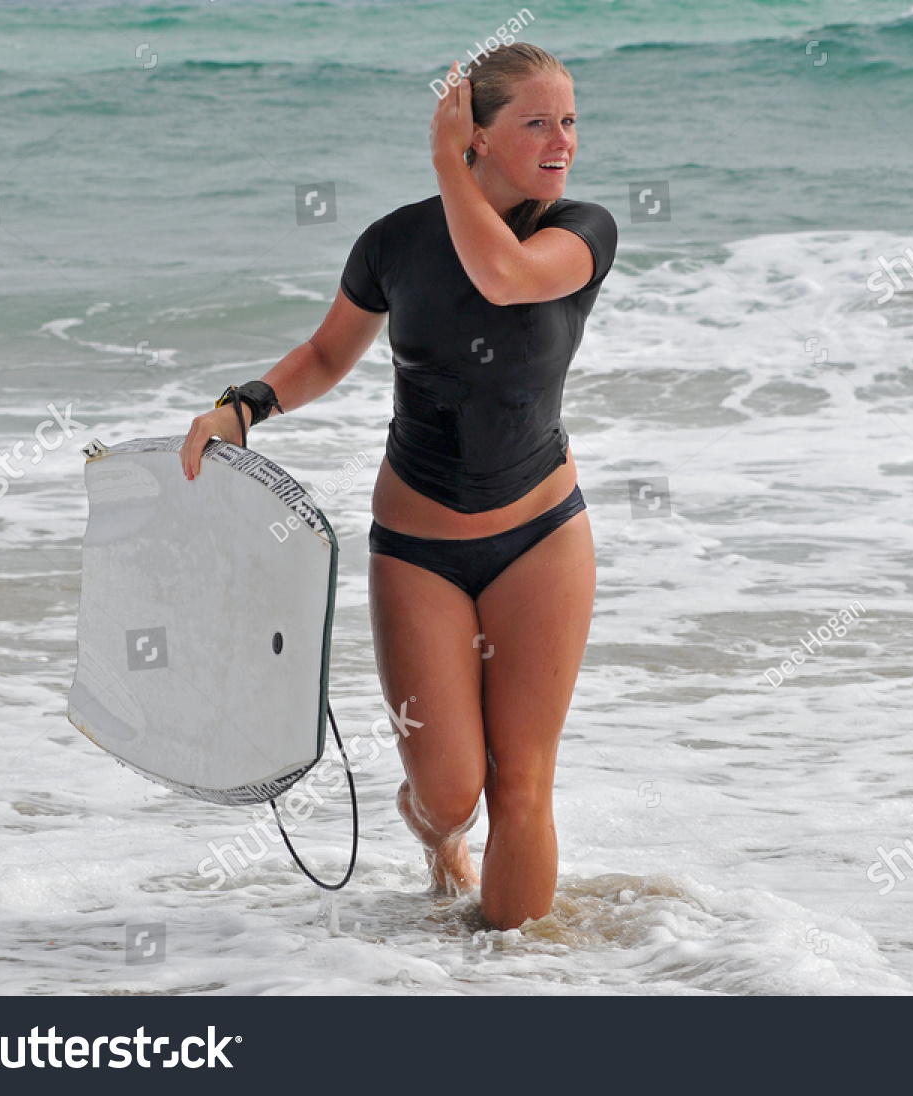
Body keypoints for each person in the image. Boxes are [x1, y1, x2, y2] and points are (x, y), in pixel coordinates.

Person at [180, 43, 618, 930]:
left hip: (542, 534)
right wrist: (245, 406)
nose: (560, 140)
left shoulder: (579, 230)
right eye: (535, 122)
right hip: (419, 547)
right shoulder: (396, 242)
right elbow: (326, 355)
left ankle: (514, 989)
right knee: (453, 793)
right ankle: (434, 834)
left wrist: (449, 170)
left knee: (524, 782)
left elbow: (505, 278)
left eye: (568, 120)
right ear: (477, 135)